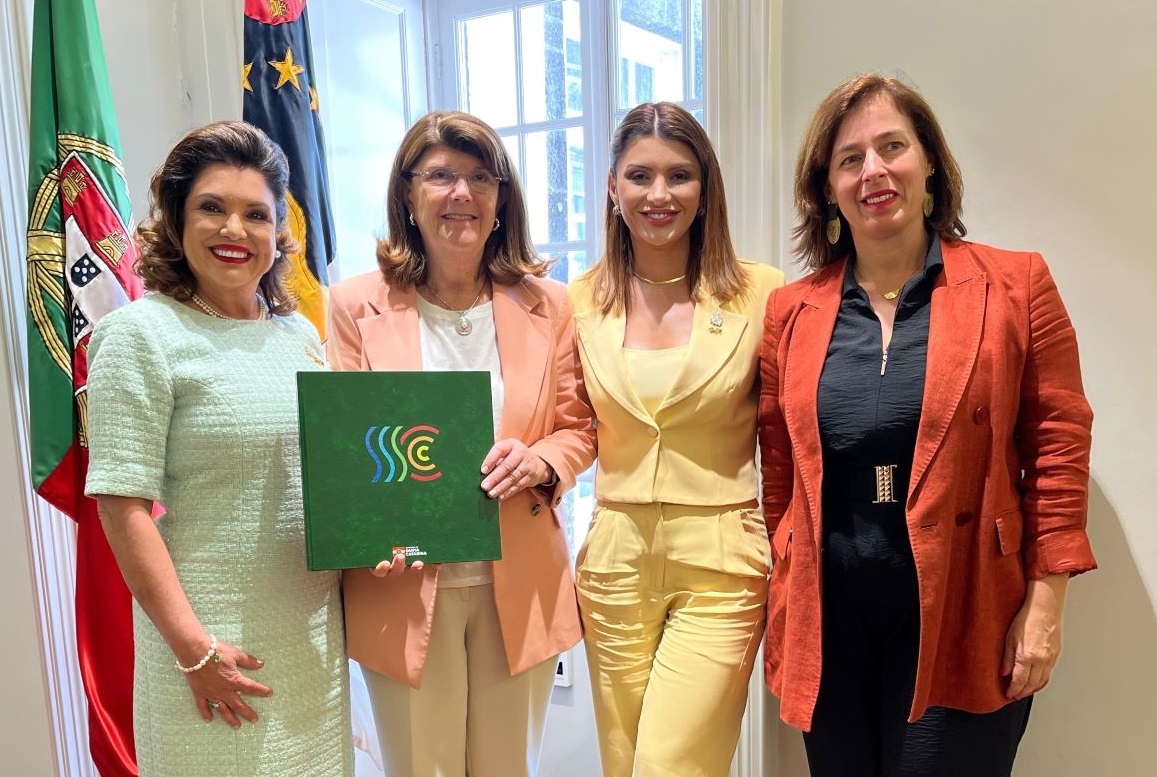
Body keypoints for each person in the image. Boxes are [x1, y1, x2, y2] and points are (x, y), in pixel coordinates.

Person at [758, 72, 1096, 777]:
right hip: (829, 618)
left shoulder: (1015, 285)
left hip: (967, 606)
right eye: (849, 158)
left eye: (892, 147)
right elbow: (780, 475)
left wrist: (1046, 604)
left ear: (930, 163)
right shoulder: (790, 311)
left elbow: (1058, 447)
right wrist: (781, 589)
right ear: (826, 188)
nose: (873, 171)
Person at [327, 109, 597, 777]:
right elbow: (346, 447)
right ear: (407, 194)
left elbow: (578, 427)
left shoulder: (551, 304)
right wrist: (365, 532)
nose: (461, 193)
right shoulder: (353, 304)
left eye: (480, 177)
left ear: (501, 199)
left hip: (521, 583)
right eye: (440, 176)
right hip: (401, 584)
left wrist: (541, 459)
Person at [85, 121, 352, 776]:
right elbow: (121, 508)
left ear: (278, 231)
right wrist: (194, 650)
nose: (235, 229)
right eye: (212, 207)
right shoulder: (139, 335)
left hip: (312, 649)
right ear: (177, 220)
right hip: (210, 654)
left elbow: (321, 484)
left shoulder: (299, 336)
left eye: (255, 214)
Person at [568, 101, 784, 777]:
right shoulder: (577, 300)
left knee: (670, 766)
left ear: (704, 187)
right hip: (614, 560)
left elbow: (789, 432)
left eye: (679, 175)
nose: (658, 194)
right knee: (624, 763)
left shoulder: (762, 293)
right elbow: (568, 424)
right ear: (613, 186)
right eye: (640, 175)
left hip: (722, 559)